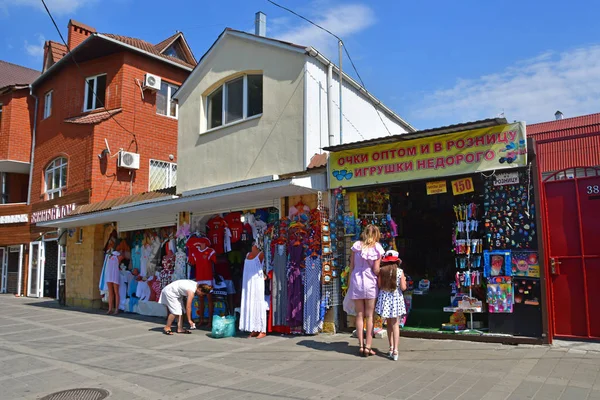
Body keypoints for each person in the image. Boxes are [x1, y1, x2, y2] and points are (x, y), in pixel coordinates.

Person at [349, 224, 384, 357]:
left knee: (359, 315)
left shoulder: (356, 246)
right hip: (370, 282)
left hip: (357, 281)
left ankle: (361, 345)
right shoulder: (377, 248)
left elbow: (351, 266)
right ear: (376, 235)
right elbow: (376, 269)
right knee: (369, 316)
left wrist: (349, 283)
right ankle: (368, 346)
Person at [375, 250, 407, 361]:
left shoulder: (381, 271)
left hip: (385, 300)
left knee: (388, 324)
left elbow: (379, 285)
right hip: (396, 299)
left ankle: (391, 347)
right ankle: (396, 350)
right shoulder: (400, 272)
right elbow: (403, 288)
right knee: (395, 325)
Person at [239, 243, 267, 339]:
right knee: (249, 304)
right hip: (247, 283)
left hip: (257, 282)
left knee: (258, 304)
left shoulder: (261, 254)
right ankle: (253, 328)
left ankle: (262, 329)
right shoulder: (247, 254)